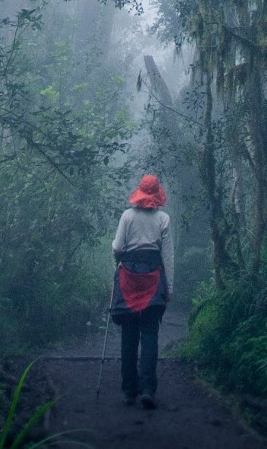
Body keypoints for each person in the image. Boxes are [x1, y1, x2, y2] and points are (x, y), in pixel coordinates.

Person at [109, 173, 171, 409]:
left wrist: (119, 254)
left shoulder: (127, 216)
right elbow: (168, 257)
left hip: (129, 280)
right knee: (150, 335)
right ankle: (147, 389)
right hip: (153, 280)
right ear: (156, 196)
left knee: (129, 336)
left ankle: (129, 392)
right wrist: (170, 288)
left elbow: (117, 248)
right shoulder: (163, 219)